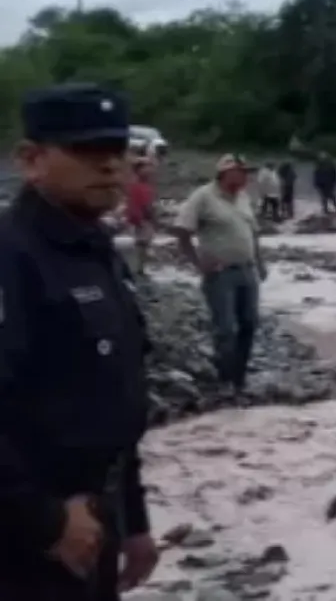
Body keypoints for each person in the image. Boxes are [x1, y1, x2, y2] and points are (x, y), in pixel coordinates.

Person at [0, 83, 159, 598]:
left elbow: (115, 397)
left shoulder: (96, 249)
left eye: (116, 150)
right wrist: (47, 524)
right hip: (25, 540)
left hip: (96, 518)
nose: (110, 165)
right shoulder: (12, 257)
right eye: (87, 151)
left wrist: (133, 521)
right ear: (31, 160)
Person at [174, 154, 268, 395]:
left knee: (249, 323)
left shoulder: (244, 197)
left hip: (247, 269)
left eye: (247, 172)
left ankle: (240, 378)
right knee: (225, 328)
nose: (246, 176)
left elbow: (253, 232)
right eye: (241, 172)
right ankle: (225, 379)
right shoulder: (203, 196)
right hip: (220, 274)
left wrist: (260, 263)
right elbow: (182, 231)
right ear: (226, 173)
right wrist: (198, 263)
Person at [124, 156, 157, 277]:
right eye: (146, 168)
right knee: (142, 243)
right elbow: (137, 205)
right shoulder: (136, 186)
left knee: (145, 242)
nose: (150, 170)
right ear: (138, 170)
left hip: (145, 218)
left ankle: (140, 267)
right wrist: (141, 219)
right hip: (141, 219)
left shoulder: (146, 186)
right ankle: (138, 269)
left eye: (150, 167)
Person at [313, 152, 336, 217]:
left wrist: (334, 182)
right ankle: (327, 209)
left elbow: (334, 174)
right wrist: (316, 183)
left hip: (328, 183)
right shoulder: (319, 165)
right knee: (325, 197)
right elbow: (316, 175)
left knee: (330, 196)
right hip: (323, 183)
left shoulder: (328, 165)